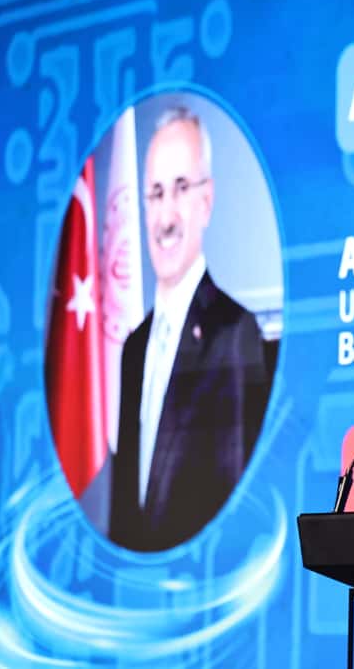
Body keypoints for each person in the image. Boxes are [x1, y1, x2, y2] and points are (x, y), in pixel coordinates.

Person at [108, 107, 269, 552]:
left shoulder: (234, 333)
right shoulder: (134, 348)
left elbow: (235, 505)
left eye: (181, 189)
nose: (166, 216)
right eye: (156, 193)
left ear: (206, 201)